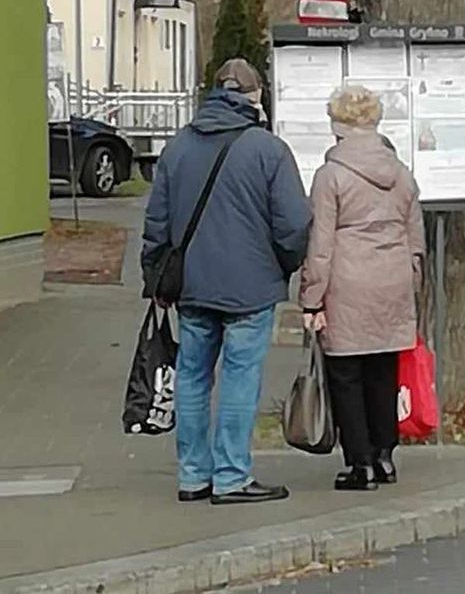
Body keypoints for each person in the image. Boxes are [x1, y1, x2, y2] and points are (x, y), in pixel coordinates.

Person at [142, 58, 311, 506]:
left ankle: (193, 475)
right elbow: (294, 224)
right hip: (250, 288)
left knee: (193, 376)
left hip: (193, 286)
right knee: (240, 377)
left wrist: (154, 276)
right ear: (255, 98)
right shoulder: (269, 149)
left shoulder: (177, 148)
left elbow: (156, 223)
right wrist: (283, 265)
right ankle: (232, 476)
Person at [300, 86, 426, 491]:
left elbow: (321, 245)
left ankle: (360, 464)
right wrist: (411, 281)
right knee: (383, 369)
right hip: (393, 278)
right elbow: (415, 236)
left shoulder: (330, 176)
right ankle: (385, 455)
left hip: (348, 281)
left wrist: (311, 299)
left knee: (346, 373)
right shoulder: (401, 172)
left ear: (336, 126)